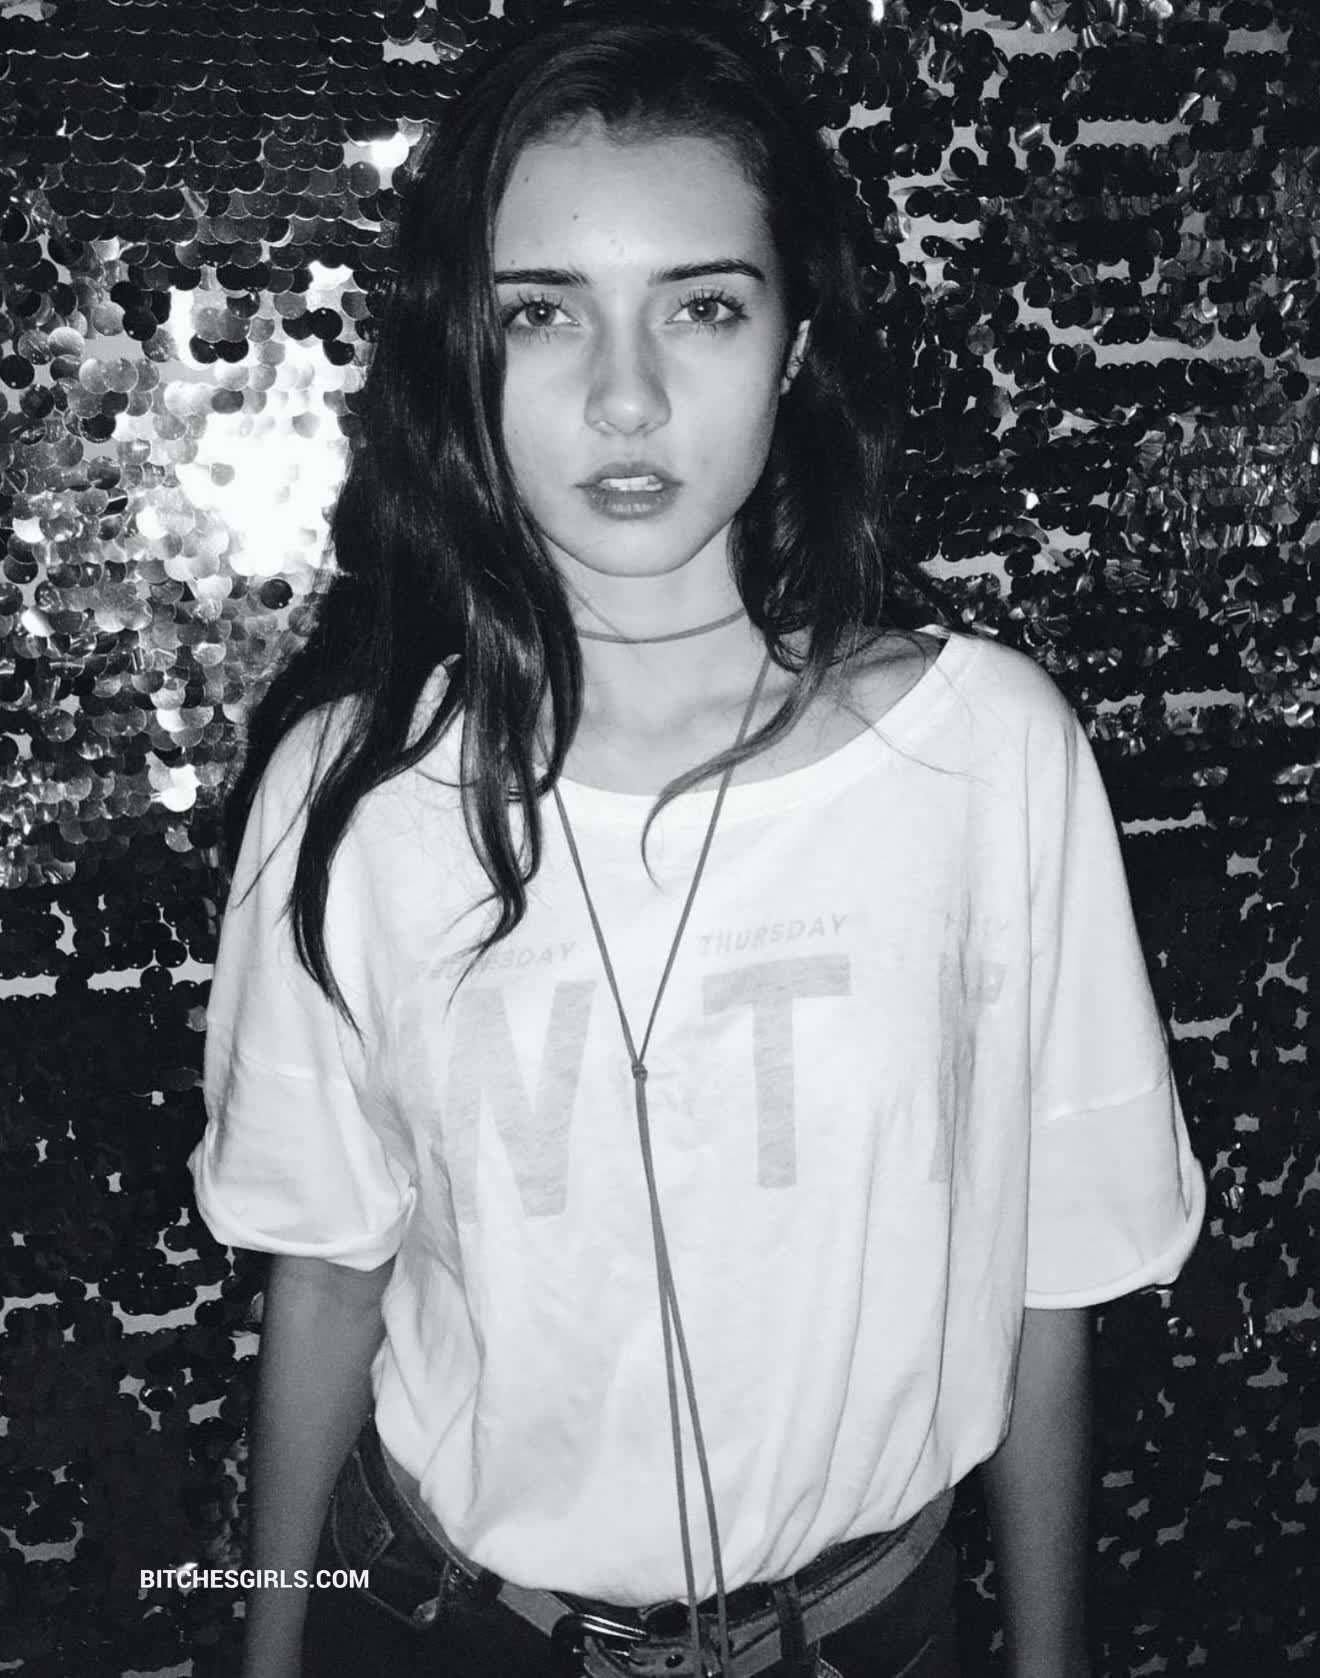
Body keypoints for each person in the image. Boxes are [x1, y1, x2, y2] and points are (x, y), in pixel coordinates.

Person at [188, 3, 1207, 1675]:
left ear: (794, 343)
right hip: (450, 1624)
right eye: (543, 313)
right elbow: (327, 1274)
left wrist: (1049, 1655)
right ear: (465, 349)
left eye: (704, 306)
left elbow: (1052, 1270)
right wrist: (266, 1649)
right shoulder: (348, 794)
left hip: (868, 1630)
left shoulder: (987, 758)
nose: (627, 396)